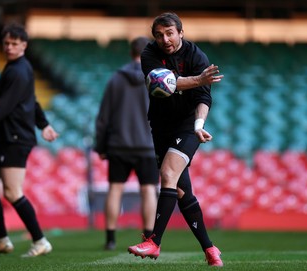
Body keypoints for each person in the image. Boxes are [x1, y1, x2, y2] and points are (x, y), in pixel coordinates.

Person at [127, 12, 224, 267]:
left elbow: (203, 97)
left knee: (168, 174)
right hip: (160, 127)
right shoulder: (149, 55)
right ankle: (210, 249)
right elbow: (165, 84)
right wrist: (198, 79)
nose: (165, 39)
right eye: (159, 35)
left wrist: (199, 125)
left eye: (170, 33)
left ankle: (154, 241)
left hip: (187, 127)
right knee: (181, 191)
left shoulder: (196, 57)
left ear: (181, 32)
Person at [0, 22, 59, 257]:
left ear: (24, 46)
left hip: (16, 138)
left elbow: (2, 109)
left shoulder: (19, 71)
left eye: (14, 44)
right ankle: (1, 239)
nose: (9, 47)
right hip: (4, 137)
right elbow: (32, 100)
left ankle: (40, 241)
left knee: (12, 192)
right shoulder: (16, 67)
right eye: (6, 43)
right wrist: (44, 124)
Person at [94, 36, 159, 251]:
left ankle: (110, 238)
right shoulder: (156, 78)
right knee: (148, 190)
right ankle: (149, 237)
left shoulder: (116, 79)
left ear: (131, 52)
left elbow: (103, 117)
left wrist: (101, 147)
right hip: (148, 145)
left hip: (119, 144)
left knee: (115, 189)